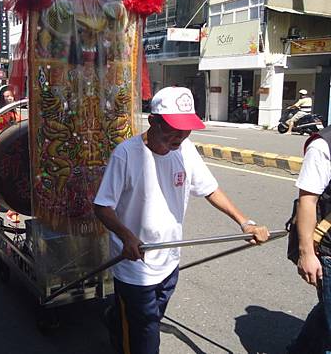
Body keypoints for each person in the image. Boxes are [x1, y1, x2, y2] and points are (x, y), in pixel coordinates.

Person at [93, 86, 270, 354]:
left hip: (169, 260)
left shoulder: (185, 150)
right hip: (135, 265)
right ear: (153, 121)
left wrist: (245, 222)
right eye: (174, 128)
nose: (181, 136)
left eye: (186, 128)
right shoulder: (126, 155)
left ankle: (116, 319)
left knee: (147, 319)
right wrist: (126, 236)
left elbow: (210, 189)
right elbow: (102, 206)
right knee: (146, 337)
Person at [287, 125, 331, 353]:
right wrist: (307, 254)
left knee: (326, 311)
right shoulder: (323, 145)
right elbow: (307, 201)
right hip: (329, 251)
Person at [0, 85, 22, 223]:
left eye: (11, 96)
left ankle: (12, 210)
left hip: (15, 152)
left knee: (15, 179)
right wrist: (7, 129)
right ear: (1, 98)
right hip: (0, 151)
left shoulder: (16, 114)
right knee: (3, 179)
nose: (9, 98)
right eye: (6, 96)